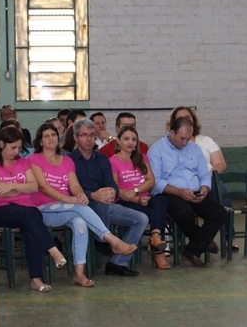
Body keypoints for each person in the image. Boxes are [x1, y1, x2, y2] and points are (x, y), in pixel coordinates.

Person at [26, 122, 137, 288]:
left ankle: (79, 273)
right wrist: (69, 199)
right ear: (40, 141)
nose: (51, 138)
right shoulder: (34, 159)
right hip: (43, 208)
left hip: (66, 208)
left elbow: (75, 185)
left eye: (53, 135)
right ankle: (111, 240)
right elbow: (43, 186)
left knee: (80, 223)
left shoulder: (66, 160)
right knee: (79, 207)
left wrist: (80, 196)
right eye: (46, 136)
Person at [0, 127, 68, 292]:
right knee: (30, 215)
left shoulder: (23, 162)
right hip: (1, 210)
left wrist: (12, 186)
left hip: (26, 210)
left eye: (19, 147)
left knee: (30, 223)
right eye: (13, 147)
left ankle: (36, 279)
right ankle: (53, 251)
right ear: (1, 144)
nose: (17, 151)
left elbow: (34, 186)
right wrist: (22, 189)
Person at [69, 118, 148, 278]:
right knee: (102, 203)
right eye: (84, 135)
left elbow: (112, 184)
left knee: (141, 218)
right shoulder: (69, 160)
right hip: (82, 205)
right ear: (76, 137)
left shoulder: (102, 158)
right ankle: (103, 241)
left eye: (92, 135)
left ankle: (117, 263)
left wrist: (112, 191)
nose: (89, 139)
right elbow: (70, 189)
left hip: (105, 204)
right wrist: (93, 195)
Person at [148, 116, 227, 268]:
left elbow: (204, 173)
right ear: (172, 132)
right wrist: (179, 192)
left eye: (188, 139)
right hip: (170, 192)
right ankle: (200, 245)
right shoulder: (156, 150)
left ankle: (192, 250)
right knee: (184, 213)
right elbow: (155, 182)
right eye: (182, 138)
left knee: (219, 213)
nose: (185, 143)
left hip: (195, 190)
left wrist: (205, 188)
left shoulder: (195, 149)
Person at [109, 124, 170, 269]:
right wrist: (136, 198)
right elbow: (116, 189)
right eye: (126, 139)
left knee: (161, 201)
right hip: (126, 201)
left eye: (134, 139)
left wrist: (136, 191)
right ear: (118, 141)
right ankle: (159, 253)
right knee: (155, 214)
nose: (130, 142)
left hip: (144, 198)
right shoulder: (113, 161)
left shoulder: (142, 158)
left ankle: (155, 237)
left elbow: (151, 180)